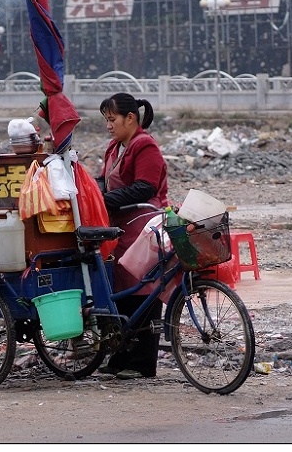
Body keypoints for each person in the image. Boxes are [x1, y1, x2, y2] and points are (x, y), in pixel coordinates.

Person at [98, 92, 169, 380]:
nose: (109, 126)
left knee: (144, 289)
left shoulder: (145, 146)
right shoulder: (114, 148)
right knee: (123, 290)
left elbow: (145, 186)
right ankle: (121, 356)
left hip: (144, 225)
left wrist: (106, 200)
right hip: (121, 229)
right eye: (106, 120)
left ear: (131, 118)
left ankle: (141, 362)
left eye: (112, 119)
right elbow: (105, 180)